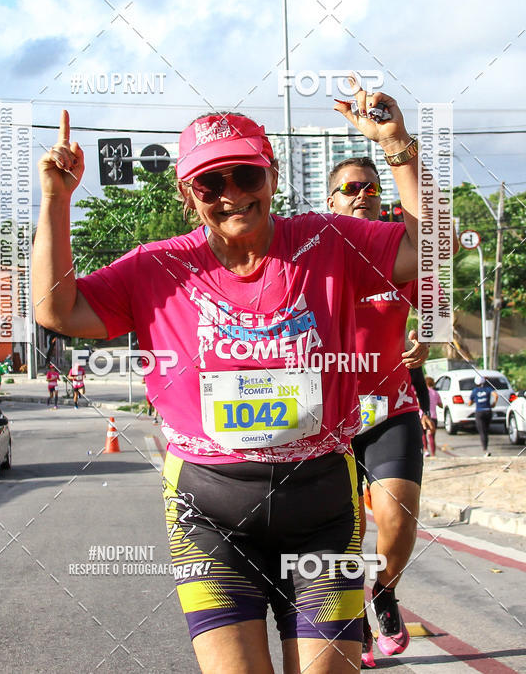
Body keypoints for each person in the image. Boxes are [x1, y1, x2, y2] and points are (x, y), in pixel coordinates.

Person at [33, 87, 422, 674]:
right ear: (189, 197)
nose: (231, 195)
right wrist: (55, 201)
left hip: (320, 510)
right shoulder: (157, 266)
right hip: (209, 513)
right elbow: (56, 310)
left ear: (270, 176)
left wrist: (396, 146)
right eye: (210, 185)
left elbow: (429, 251)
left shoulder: (329, 239)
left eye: (245, 175)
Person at [327, 157, 446, 665]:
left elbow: (439, 312)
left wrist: (427, 343)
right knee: (341, 534)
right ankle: (355, 624)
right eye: (350, 187)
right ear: (330, 201)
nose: (363, 193)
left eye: (371, 186)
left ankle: (384, 592)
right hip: (327, 417)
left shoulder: (401, 256)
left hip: (390, 408)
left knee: (398, 520)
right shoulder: (316, 254)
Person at [469, 373, 497, 456]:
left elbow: (470, 403)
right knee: (486, 430)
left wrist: (475, 400)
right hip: (488, 411)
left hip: (479, 412)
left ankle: (485, 449)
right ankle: (486, 447)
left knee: (482, 431)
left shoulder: (475, 391)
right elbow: (496, 395)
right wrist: (494, 404)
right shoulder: (488, 389)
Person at [422, 377, 442, 456]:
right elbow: (440, 405)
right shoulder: (435, 393)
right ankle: (433, 453)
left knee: (423, 435)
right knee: (431, 436)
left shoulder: (422, 392)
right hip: (433, 416)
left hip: (422, 415)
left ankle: (426, 450)